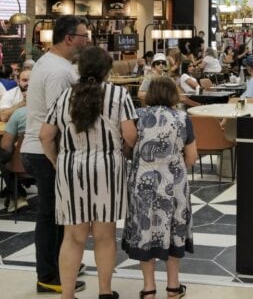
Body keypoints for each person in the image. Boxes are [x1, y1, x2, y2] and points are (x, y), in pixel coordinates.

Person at [39, 46, 138, 299]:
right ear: (107, 71)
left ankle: (67, 295)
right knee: (105, 236)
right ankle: (105, 291)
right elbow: (130, 134)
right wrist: (125, 150)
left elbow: (45, 136)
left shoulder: (64, 96)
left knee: (73, 237)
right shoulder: (118, 94)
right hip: (108, 168)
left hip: (71, 168)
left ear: (80, 69)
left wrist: (56, 160)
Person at [21, 15, 90, 294]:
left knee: (60, 214)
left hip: (43, 149)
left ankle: (64, 265)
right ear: (69, 38)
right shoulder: (58, 72)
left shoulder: (52, 63)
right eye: (84, 36)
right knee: (51, 216)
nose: (88, 41)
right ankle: (49, 275)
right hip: (45, 151)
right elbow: (60, 118)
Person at [122, 77, 197, 299]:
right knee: (174, 230)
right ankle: (173, 287)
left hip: (143, 182)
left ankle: (148, 289)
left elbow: (128, 148)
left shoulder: (137, 116)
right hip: (174, 183)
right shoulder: (183, 118)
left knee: (145, 231)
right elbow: (192, 156)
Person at [0, 106, 28, 212]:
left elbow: (5, 146)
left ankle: (18, 196)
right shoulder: (54, 111)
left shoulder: (20, 114)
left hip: (22, 165)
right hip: (50, 164)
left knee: (3, 157)